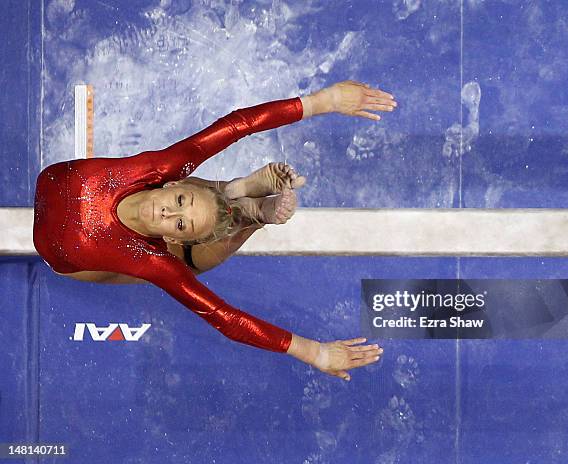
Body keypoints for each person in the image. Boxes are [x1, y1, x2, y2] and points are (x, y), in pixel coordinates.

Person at [33, 80, 397, 381]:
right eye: (177, 201)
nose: (166, 210)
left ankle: (248, 214)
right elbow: (238, 123)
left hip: (66, 255)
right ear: (170, 184)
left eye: (177, 223)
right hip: (63, 196)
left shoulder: (156, 261)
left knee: (182, 263)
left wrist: (315, 353)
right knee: (200, 217)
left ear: (172, 237)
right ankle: (233, 194)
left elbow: (227, 319)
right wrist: (323, 101)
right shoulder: (160, 167)